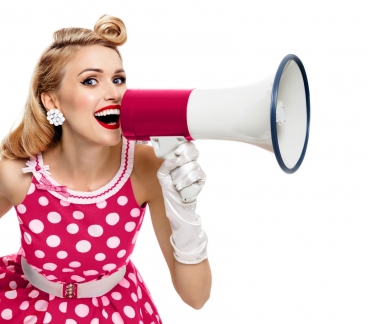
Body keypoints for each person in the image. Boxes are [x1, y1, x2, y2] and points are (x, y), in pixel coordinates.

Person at [0, 14, 211, 323]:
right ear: (52, 101)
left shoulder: (146, 166)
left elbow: (196, 297)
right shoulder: (18, 173)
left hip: (117, 312)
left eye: (118, 79)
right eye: (90, 80)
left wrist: (185, 208)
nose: (113, 93)